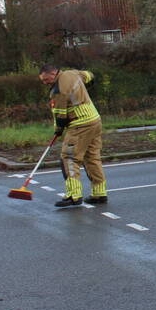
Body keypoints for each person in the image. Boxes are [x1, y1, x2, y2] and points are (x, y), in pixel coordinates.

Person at [38, 64, 107, 207]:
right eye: (42, 81)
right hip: (94, 119)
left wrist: (58, 129)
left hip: (79, 124)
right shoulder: (73, 73)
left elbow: (60, 116)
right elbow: (90, 76)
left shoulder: (58, 90)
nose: (45, 83)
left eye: (46, 80)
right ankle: (99, 193)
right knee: (92, 157)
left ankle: (73, 195)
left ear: (53, 73)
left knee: (69, 158)